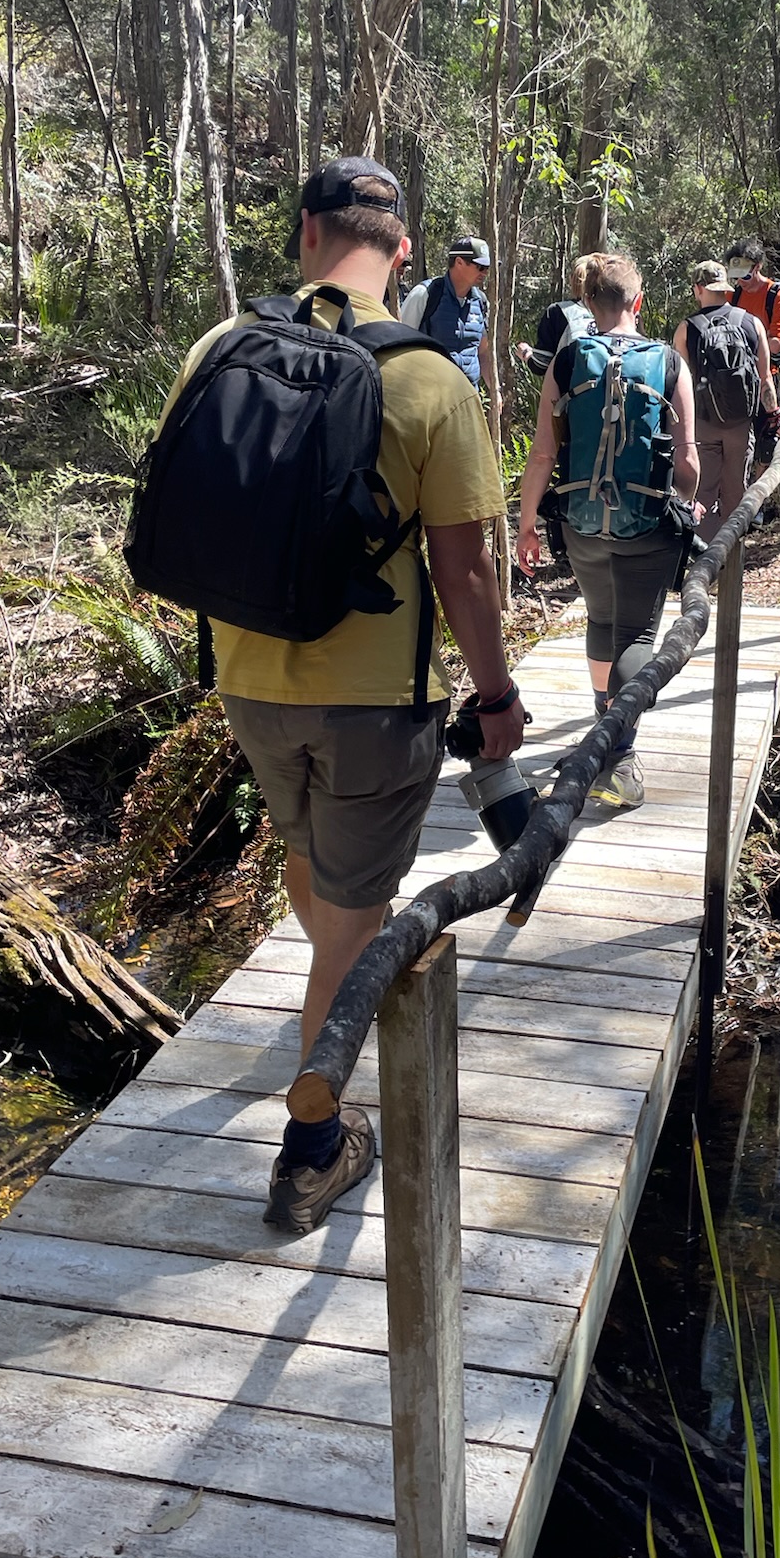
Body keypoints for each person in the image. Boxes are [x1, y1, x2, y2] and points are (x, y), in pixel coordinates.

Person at [159, 159, 524, 1235]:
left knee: (311, 859)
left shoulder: (219, 348)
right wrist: (497, 697)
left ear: (307, 232)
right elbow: (464, 574)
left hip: (246, 682)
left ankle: (323, 990)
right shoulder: (430, 382)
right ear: (402, 251)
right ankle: (313, 1149)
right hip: (376, 699)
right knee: (354, 930)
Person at [515, 251, 699, 812]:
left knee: (600, 619)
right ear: (638, 302)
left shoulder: (567, 360)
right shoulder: (668, 361)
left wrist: (527, 525)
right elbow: (688, 457)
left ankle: (602, 730)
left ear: (588, 303)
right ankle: (619, 757)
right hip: (647, 522)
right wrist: (689, 508)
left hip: (582, 522)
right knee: (638, 637)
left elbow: (544, 452)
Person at [672, 259, 778, 540]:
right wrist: (773, 415)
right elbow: (765, 378)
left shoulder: (686, 329)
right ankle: (732, 561)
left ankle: (705, 561)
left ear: (698, 289)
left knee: (703, 492)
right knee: (735, 491)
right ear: (725, 288)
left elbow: (679, 384)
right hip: (741, 422)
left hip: (703, 422)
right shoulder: (751, 323)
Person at [400, 234, 501, 411]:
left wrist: (495, 391)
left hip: (469, 401)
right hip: (429, 403)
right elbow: (401, 348)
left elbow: (483, 352)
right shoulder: (426, 294)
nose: (485, 272)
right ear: (459, 262)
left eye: (487, 267)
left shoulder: (481, 302)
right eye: (480, 266)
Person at [517, 259, 595, 379]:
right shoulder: (611, 312)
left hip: (570, 395)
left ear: (571, 279)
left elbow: (541, 365)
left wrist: (526, 353)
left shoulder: (558, 311)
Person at [726, 237, 780, 370]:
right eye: (735, 277)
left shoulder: (776, 294)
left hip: (765, 371)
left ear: (757, 267)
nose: (740, 281)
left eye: (745, 276)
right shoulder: (733, 294)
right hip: (737, 369)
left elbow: (775, 345)